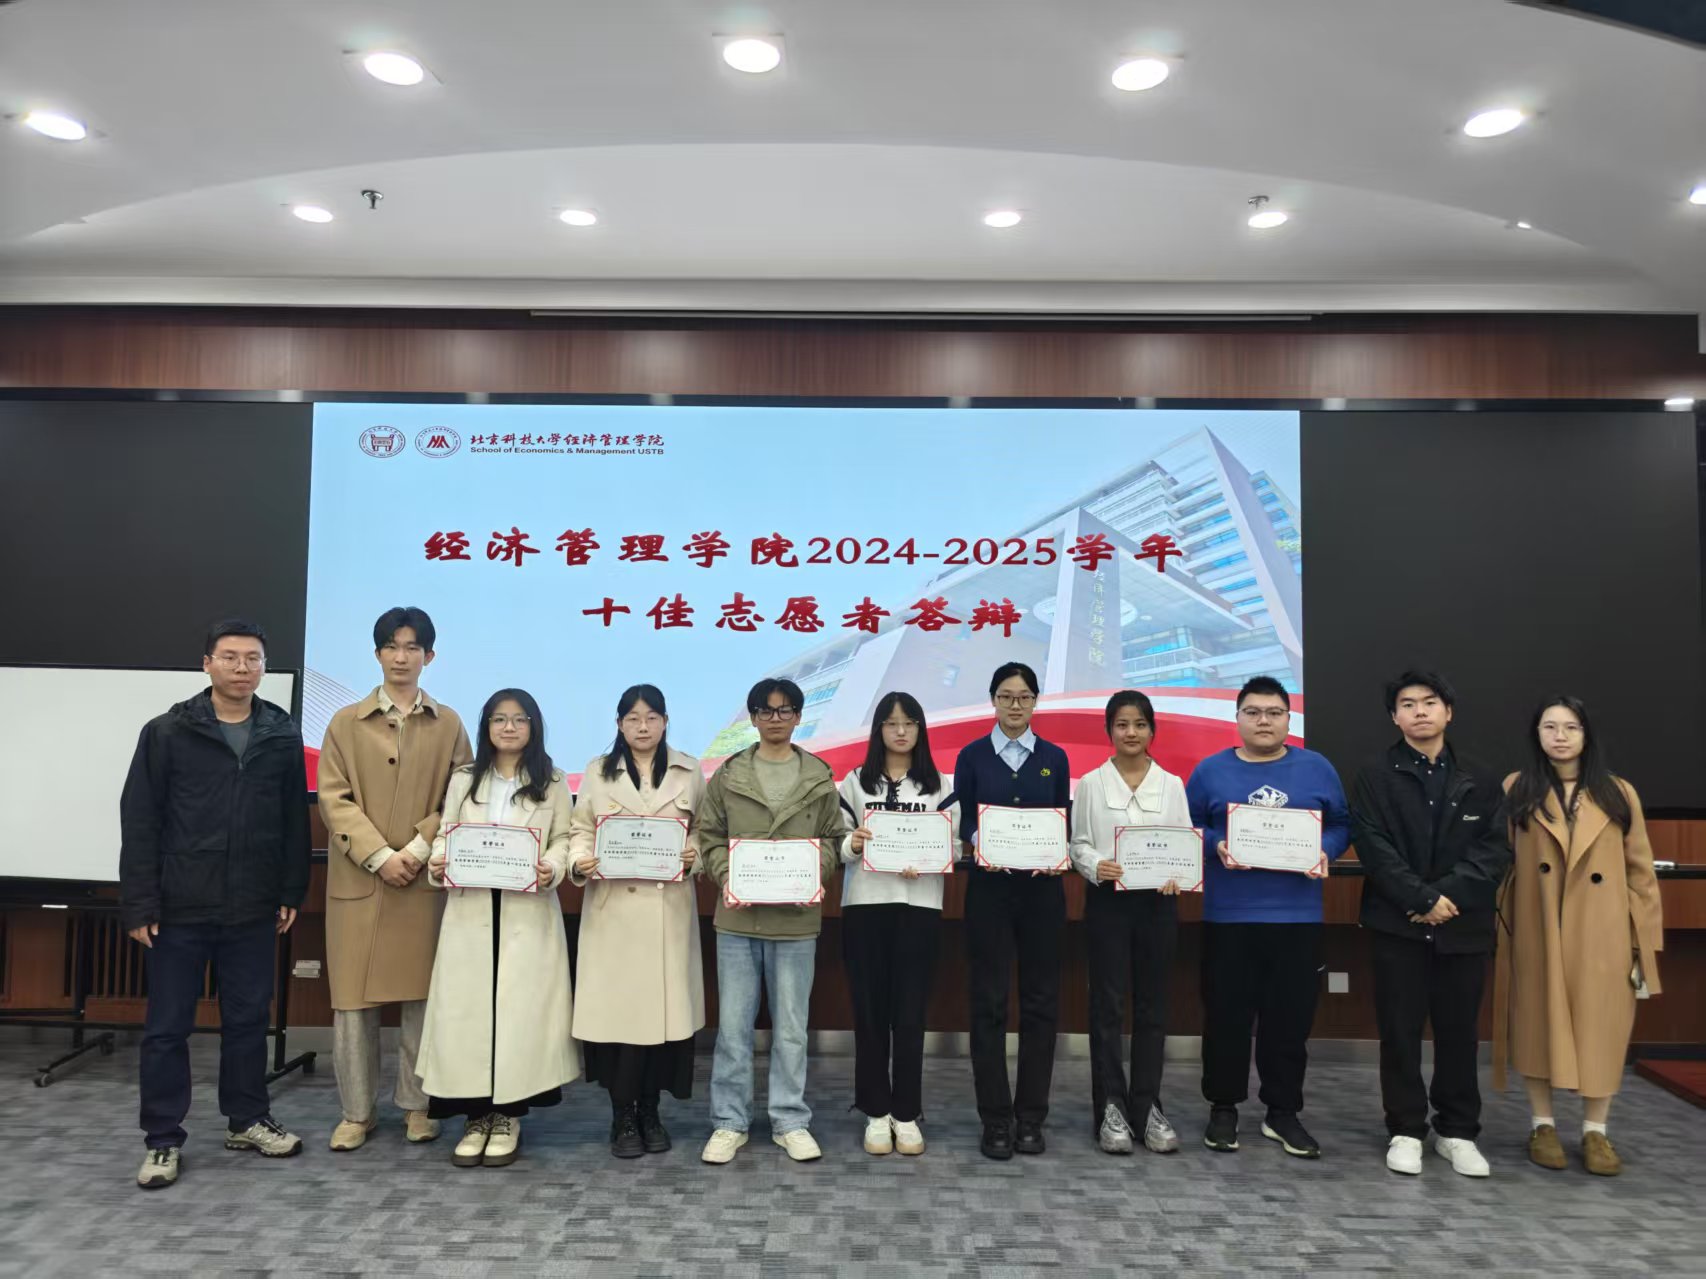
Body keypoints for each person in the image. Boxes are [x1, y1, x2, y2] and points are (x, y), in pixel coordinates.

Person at [120, 618, 310, 1189]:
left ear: (264, 668)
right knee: (167, 1028)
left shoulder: (280, 733)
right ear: (207, 664)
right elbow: (141, 819)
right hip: (179, 906)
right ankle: (162, 1138)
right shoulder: (168, 732)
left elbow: (293, 821)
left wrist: (290, 890)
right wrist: (140, 902)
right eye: (230, 657)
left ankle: (247, 1118)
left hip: (253, 905)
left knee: (248, 1020)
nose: (242, 668)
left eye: (253, 658)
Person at [316, 606, 472, 1152]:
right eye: (391, 646)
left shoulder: (449, 723)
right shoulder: (344, 723)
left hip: (421, 881)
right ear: (377, 653)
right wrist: (380, 855)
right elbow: (333, 799)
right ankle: (356, 1113)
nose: (401, 657)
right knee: (352, 1006)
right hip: (360, 882)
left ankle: (417, 1106)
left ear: (430, 655)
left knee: (421, 1002)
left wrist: (419, 848)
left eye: (412, 647)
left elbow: (461, 796)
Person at [1350, 671, 1510, 1179]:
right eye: (1407, 704)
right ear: (1394, 717)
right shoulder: (1374, 775)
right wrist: (1421, 899)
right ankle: (1405, 1129)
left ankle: (1458, 1132)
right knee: (1399, 1031)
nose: (1419, 711)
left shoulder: (1481, 778)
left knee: (1459, 1032)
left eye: (1430, 702)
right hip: (1398, 924)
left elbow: (1494, 851)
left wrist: (1446, 899)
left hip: (1463, 925)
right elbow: (1373, 847)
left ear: (1448, 712)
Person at [1495, 695, 1662, 1177]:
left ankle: (1596, 1130)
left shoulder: (1618, 793)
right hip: (1538, 925)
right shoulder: (1516, 788)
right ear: (1537, 735)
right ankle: (1542, 1125)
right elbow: (1500, 859)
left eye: (1571, 727)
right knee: (1536, 1022)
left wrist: (1643, 943)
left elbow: (1641, 872)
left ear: (1587, 735)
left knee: (1602, 1028)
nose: (1560, 736)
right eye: (1550, 727)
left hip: (1603, 931)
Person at [1186, 675, 1351, 1160]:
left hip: (1297, 917)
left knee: (1289, 1021)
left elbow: (1342, 823)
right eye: (1253, 712)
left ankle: (1282, 1112)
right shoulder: (1210, 771)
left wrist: (1324, 850)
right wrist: (1216, 844)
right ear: (1237, 718)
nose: (1264, 721)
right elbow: (1188, 826)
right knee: (1226, 1017)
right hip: (1229, 917)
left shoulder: (1317, 768)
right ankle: (1223, 1108)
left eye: (1274, 712)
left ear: (1288, 719)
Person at [418, 688, 577, 1168]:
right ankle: (476, 1117)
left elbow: (564, 838)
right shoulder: (465, 780)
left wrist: (553, 866)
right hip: (471, 911)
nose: (509, 727)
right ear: (486, 726)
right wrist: (439, 862)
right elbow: (446, 834)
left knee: (518, 1016)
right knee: (469, 1014)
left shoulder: (551, 781)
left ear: (534, 727)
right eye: (499, 719)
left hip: (526, 911)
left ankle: (507, 1116)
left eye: (519, 719)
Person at [698, 678, 844, 1166]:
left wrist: (810, 873)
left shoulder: (819, 776)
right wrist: (728, 876)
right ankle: (729, 1122)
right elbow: (709, 834)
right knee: (733, 1030)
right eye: (765, 710)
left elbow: (833, 838)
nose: (775, 718)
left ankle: (790, 1120)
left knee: (792, 1031)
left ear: (799, 716)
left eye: (785, 711)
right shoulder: (729, 774)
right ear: (754, 717)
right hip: (737, 921)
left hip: (796, 921)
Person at [569, 684, 705, 1159]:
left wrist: (694, 855)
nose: (642, 727)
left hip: (668, 914)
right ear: (619, 724)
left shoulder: (690, 771)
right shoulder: (597, 771)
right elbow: (580, 829)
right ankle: (622, 1115)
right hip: (615, 915)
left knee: (662, 1023)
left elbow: (704, 831)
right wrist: (580, 859)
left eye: (651, 718)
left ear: (665, 722)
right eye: (632, 718)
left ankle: (651, 1110)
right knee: (620, 1022)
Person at [952, 661, 1072, 1160]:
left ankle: (1031, 1118)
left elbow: (1061, 819)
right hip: (990, 892)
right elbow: (964, 820)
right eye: (1006, 696)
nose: (1015, 705)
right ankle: (996, 1119)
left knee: (1041, 1004)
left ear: (1036, 701)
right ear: (993, 701)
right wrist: (983, 841)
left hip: (1043, 894)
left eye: (1024, 696)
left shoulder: (1055, 757)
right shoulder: (972, 756)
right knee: (989, 1003)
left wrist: (1054, 848)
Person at [1069, 690, 1191, 1157]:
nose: (1131, 732)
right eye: (1122, 724)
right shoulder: (1091, 784)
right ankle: (1111, 1108)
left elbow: (1183, 843)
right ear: (1109, 731)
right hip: (1108, 903)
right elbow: (1078, 843)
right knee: (1107, 1006)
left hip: (1158, 905)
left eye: (1139, 724)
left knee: (1153, 1007)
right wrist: (1095, 864)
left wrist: (1178, 873)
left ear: (1152, 730)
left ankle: (1148, 1106)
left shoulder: (1172, 785)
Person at [838, 692, 956, 1157]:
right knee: (869, 1013)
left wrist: (926, 858)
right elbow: (837, 842)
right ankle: (875, 1110)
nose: (901, 731)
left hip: (919, 905)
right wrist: (855, 844)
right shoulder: (854, 782)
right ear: (878, 730)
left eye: (909, 723)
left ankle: (906, 1112)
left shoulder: (940, 785)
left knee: (910, 1013)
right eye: (891, 723)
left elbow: (952, 846)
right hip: (865, 905)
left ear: (921, 729)